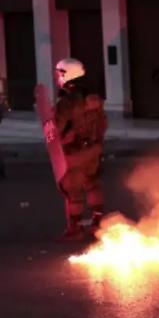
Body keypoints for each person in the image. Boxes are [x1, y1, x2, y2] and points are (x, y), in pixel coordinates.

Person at [54, 58, 108, 240]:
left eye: (60, 74)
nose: (58, 78)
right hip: (93, 149)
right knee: (92, 184)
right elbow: (103, 124)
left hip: (75, 151)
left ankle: (75, 229)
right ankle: (97, 223)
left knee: (72, 190)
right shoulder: (95, 98)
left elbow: (56, 128)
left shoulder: (68, 101)